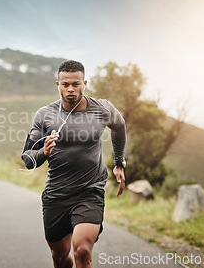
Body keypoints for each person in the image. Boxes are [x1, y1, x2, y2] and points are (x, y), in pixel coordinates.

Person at [21, 60, 126, 268]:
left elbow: (119, 126)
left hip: (90, 191)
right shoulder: (45, 115)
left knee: (83, 250)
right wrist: (44, 151)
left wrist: (119, 162)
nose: (70, 89)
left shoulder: (102, 108)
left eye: (75, 84)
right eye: (65, 84)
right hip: (56, 195)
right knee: (59, 257)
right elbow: (27, 160)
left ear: (84, 83)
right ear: (57, 85)